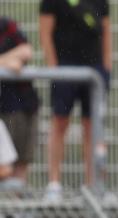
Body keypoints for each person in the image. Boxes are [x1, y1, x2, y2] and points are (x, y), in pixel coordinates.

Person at [39, 0, 111, 195]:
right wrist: (53, 68)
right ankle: (54, 184)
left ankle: (93, 185)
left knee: (92, 126)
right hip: (64, 67)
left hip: (94, 69)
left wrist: (106, 68)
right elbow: (45, 32)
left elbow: (106, 32)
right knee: (59, 122)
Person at [0, 15, 39, 185]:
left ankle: (17, 208)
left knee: (22, 162)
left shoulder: (6, 25)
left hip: (26, 102)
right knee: (8, 168)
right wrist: (9, 61)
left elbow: (26, 52)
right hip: (6, 107)